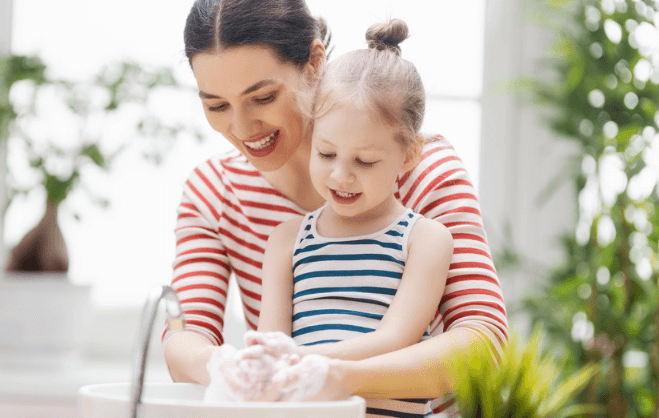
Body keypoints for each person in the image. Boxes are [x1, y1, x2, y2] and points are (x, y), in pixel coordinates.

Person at [163, 0, 508, 414]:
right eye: (217, 105)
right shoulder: (215, 192)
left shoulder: (423, 170)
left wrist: (339, 377)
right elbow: (185, 332)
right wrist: (217, 364)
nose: (241, 127)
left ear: (314, 62)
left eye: (264, 97)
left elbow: (483, 343)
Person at [255, 18, 453, 417]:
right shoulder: (287, 240)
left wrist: (308, 362)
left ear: (410, 155)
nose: (340, 175)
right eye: (326, 153)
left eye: (364, 161)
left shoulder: (425, 239)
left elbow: (395, 338)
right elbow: (270, 343)